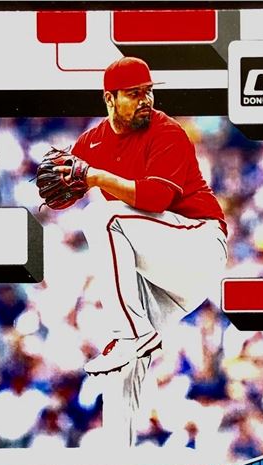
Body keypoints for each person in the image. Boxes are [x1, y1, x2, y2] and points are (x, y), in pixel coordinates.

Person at [65, 57, 228, 375]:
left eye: (148, 91)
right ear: (110, 99)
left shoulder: (167, 132)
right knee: (124, 369)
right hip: (165, 276)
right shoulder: (92, 141)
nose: (145, 100)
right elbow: (62, 195)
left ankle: (133, 334)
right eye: (134, 93)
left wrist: (96, 177)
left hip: (199, 244)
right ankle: (131, 344)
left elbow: (156, 199)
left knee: (100, 218)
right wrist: (58, 182)